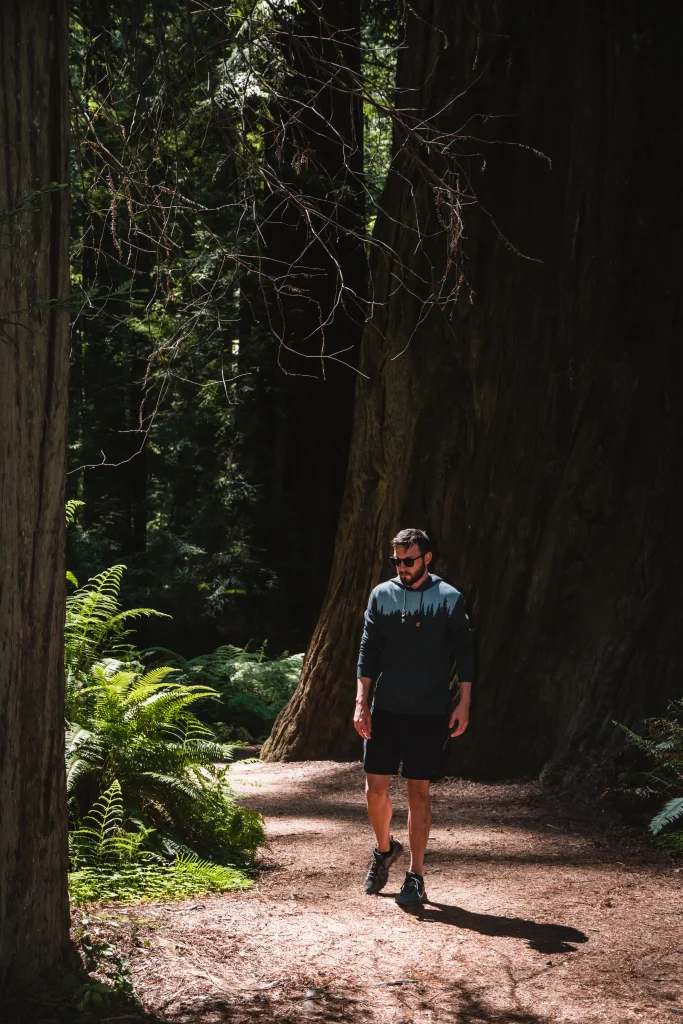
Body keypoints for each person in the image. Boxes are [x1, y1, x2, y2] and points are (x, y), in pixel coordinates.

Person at [353, 528, 474, 907]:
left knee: (418, 792)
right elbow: (368, 648)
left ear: (427, 558)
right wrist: (361, 701)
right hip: (385, 707)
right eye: (397, 561)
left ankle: (416, 875)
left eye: (409, 560)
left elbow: (466, 653)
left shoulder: (449, 598)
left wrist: (463, 702)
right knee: (375, 790)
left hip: (428, 709)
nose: (402, 567)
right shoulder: (382, 595)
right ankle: (384, 850)